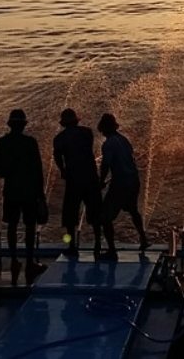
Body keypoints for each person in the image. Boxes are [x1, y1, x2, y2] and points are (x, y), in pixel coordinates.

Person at [0, 109, 47, 283]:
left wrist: (9, 171)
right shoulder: (30, 142)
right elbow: (37, 170)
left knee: (12, 225)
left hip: (11, 191)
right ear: (23, 125)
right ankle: (30, 260)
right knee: (30, 225)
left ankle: (14, 259)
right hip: (29, 191)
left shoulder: (1, 143)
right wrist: (41, 195)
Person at [97, 113, 150, 261]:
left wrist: (101, 182)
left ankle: (112, 251)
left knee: (105, 217)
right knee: (133, 211)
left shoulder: (108, 144)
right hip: (133, 180)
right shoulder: (124, 140)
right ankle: (144, 239)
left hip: (120, 184)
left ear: (103, 129)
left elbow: (106, 164)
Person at [53, 108, 102, 257]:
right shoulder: (87, 133)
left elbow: (57, 157)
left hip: (73, 179)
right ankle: (98, 244)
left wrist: (62, 170)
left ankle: (72, 245)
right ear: (76, 121)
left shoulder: (59, 138)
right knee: (95, 212)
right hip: (90, 177)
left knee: (70, 214)